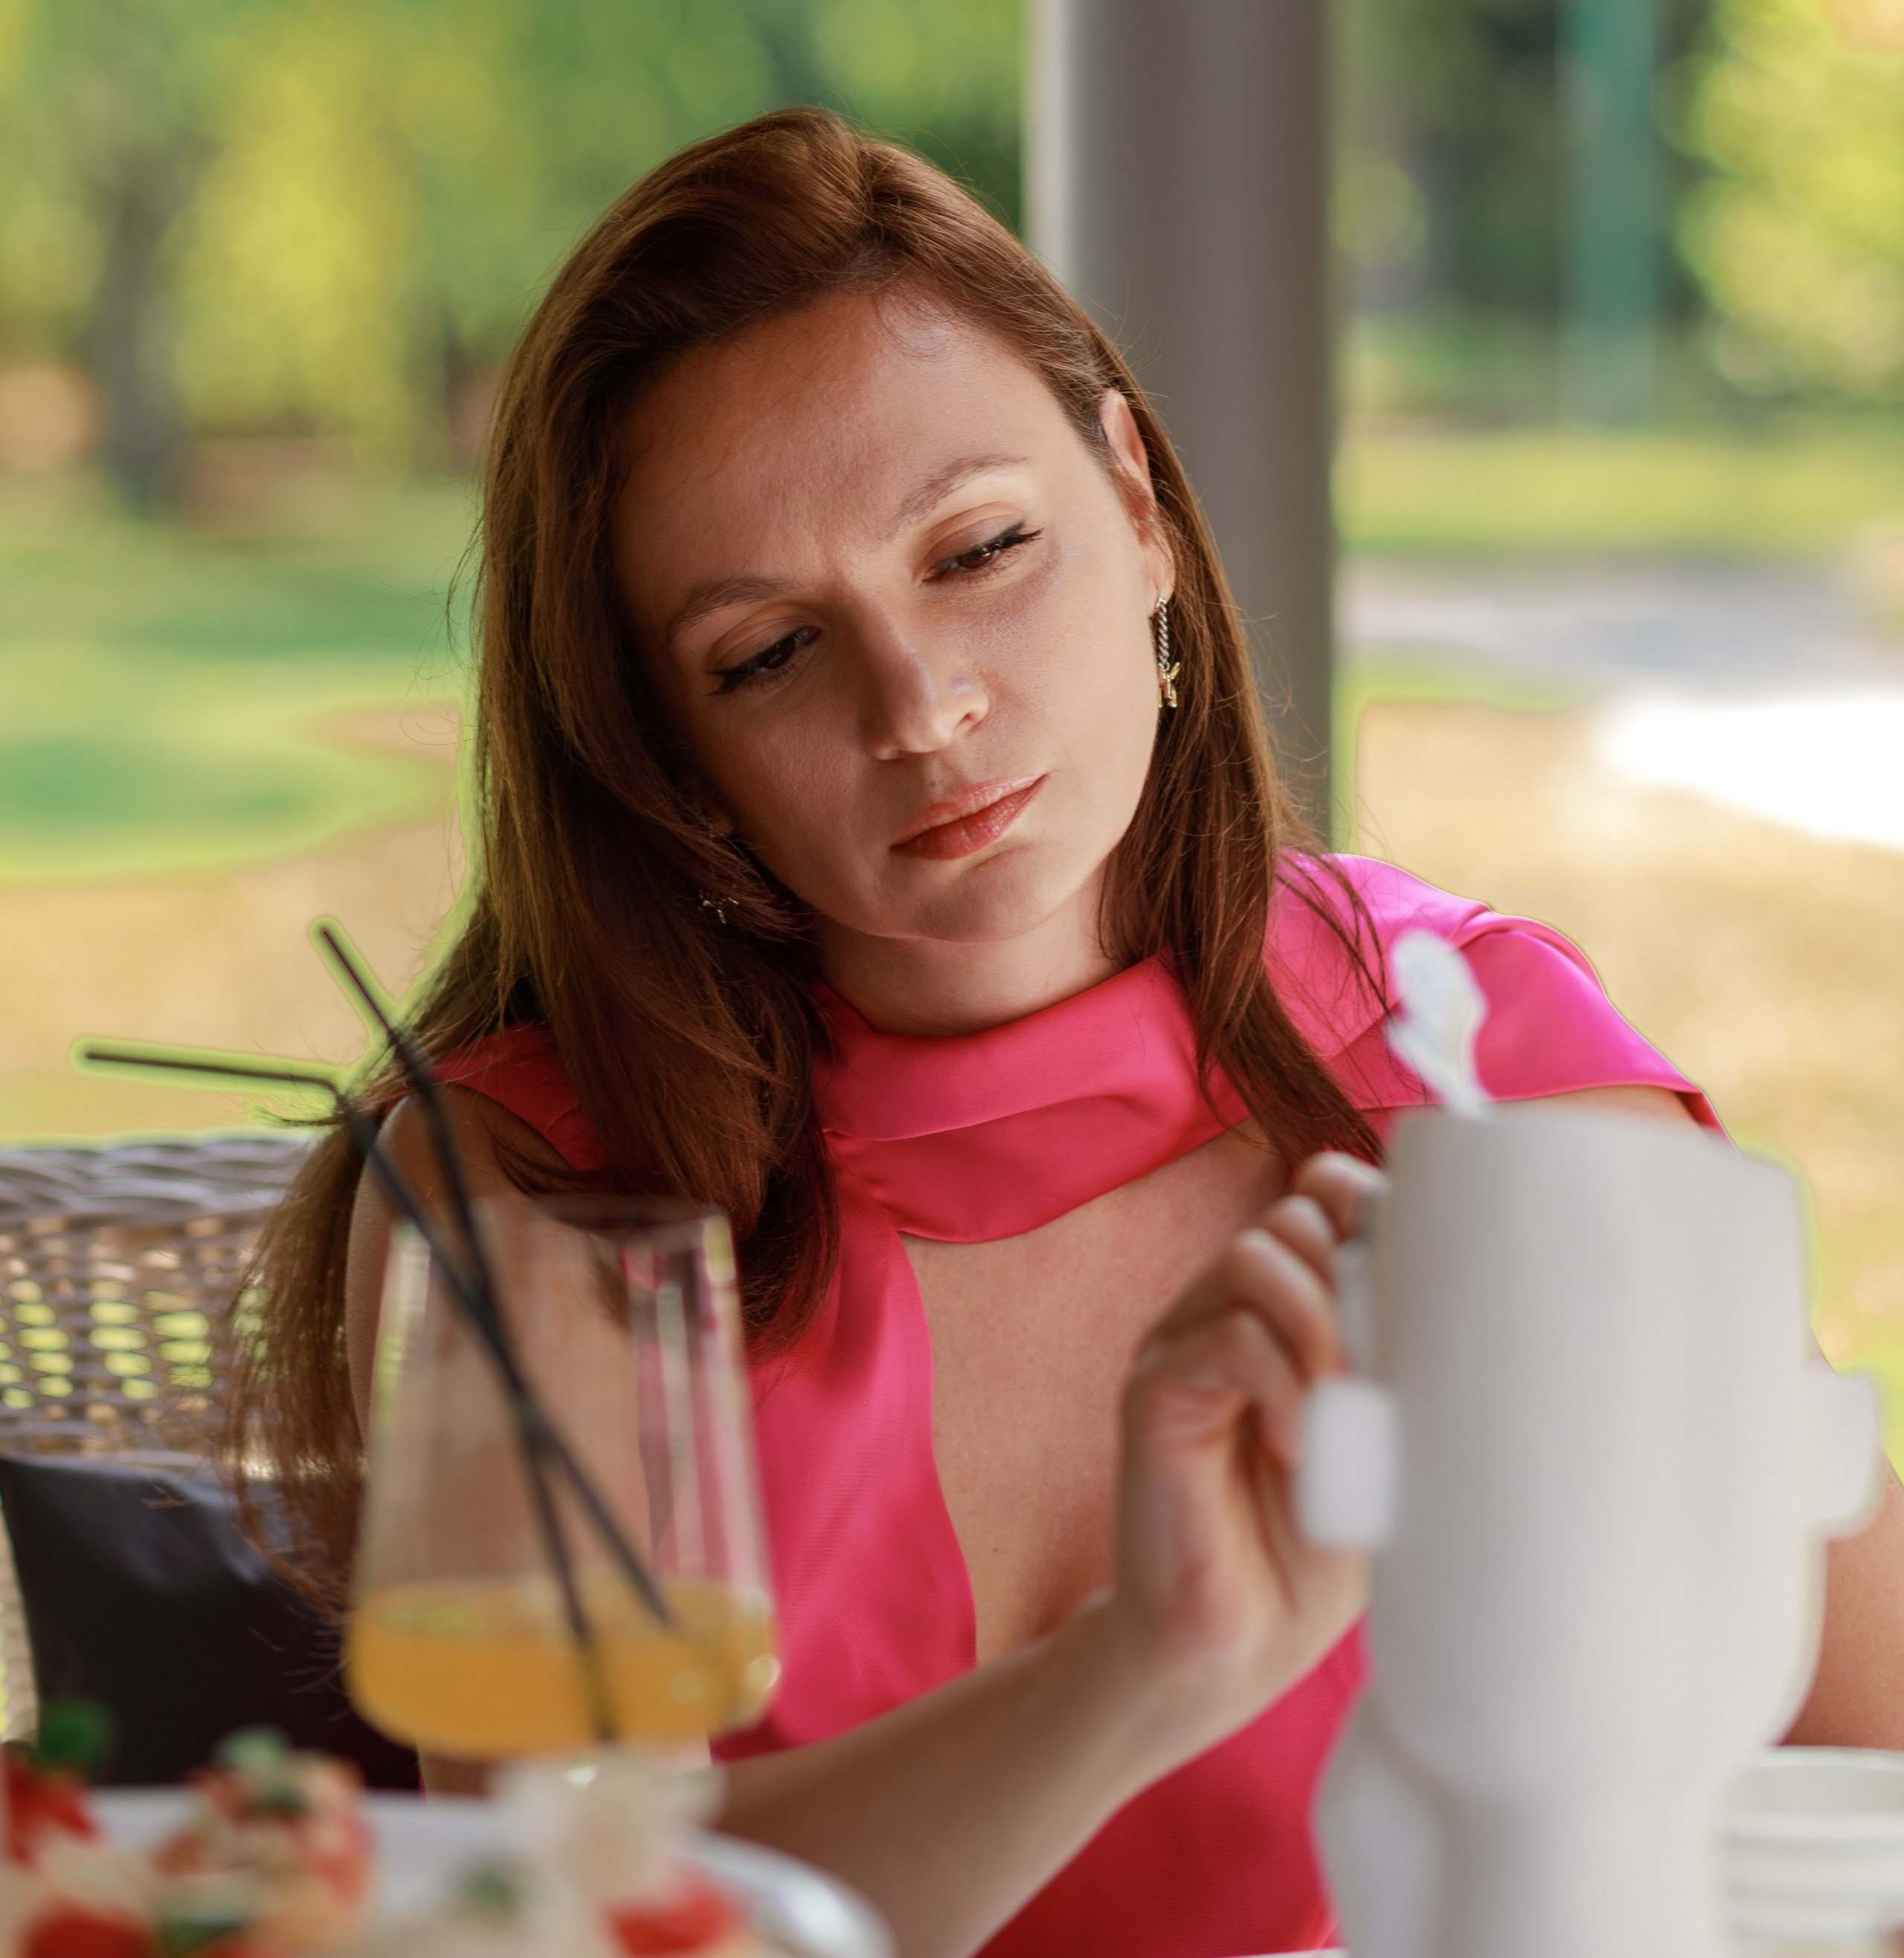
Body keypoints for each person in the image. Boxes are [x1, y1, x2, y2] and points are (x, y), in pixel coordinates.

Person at [234, 111, 1904, 1958]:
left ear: (1133, 504)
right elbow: (563, 1930)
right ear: (666, 755)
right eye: (768, 653)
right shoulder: (540, 1193)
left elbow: (1868, 1785)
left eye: (977, 548)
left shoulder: (1495, 1086)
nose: (922, 706)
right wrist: (1141, 1671)